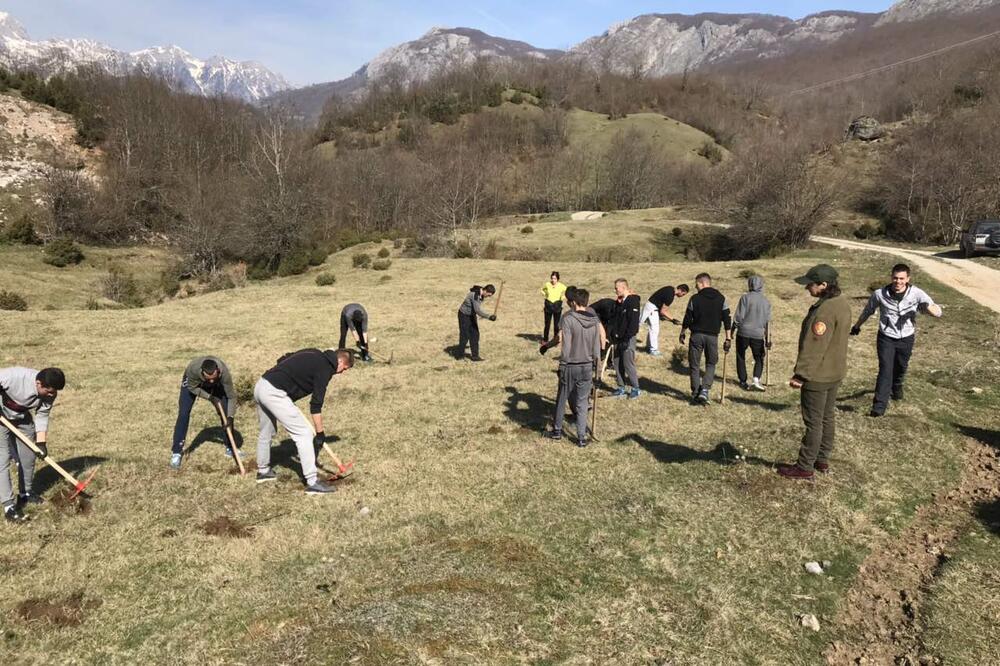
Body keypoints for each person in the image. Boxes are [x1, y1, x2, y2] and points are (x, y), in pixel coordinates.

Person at [778, 264, 851, 480]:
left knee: (814, 421)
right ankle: (822, 459)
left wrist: (801, 375)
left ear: (823, 285)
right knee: (827, 417)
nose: (807, 288)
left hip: (818, 376)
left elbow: (815, 345)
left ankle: (804, 466)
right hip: (835, 372)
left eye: (810, 284)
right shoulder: (842, 303)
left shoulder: (825, 310)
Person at [254, 348, 353, 494]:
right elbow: (316, 404)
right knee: (304, 434)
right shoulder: (325, 369)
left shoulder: (313, 352)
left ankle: (263, 471)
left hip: (262, 384)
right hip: (275, 393)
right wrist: (320, 433)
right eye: (343, 368)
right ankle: (312, 482)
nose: (341, 372)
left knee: (266, 431)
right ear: (339, 361)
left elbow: (284, 358)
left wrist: (288, 380)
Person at [851, 263, 942, 417]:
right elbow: (868, 310)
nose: (898, 282)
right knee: (886, 370)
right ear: (891, 278)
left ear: (907, 279)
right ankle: (878, 408)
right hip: (886, 337)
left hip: (906, 337)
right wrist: (857, 326)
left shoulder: (917, 294)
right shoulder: (880, 294)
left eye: (901, 279)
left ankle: (897, 385)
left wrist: (931, 310)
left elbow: (937, 310)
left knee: (901, 367)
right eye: (895, 278)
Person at [0, 367, 65, 523]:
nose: (52, 395)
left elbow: (42, 414)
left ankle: (25, 494)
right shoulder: (12, 377)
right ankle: (9, 506)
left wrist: (41, 442)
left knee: (29, 456)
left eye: (55, 392)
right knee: (2, 459)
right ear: (38, 383)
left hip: (22, 416)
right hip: (1, 416)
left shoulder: (50, 392)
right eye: (49, 392)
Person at [541, 287, 602, 447]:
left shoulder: (568, 319)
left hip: (571, 366)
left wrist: (562, 365)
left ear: (574, 302)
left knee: (562, 398)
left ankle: (557, 431)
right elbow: (597, 349)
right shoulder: (595, 321)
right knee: (582, 402)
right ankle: (581, 438)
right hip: (588, 367)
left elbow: (566, 346)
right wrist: (598, 372)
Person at [170, 357, 239, 469]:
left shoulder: (224, 373)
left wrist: (230, 417)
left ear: (218, 371)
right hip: (195, 385)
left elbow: (231, 396)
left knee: (226, 411)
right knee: (183, 413)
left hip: (217, 384)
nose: (211, 381)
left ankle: (230, 448)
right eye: (208, 378)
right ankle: (176, 452)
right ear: (202, 372)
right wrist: (209, 397)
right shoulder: (193, 370)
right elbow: (192, 388)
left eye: (214, 378)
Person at [680, 273, 732, 404]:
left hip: (696, 335)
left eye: (696, 284)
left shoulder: (694, 298)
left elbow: (688, 317)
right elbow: (727, 319)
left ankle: (696, 392)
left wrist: (683, 331)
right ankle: (704, 390)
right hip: (712, 337)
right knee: (711, 363)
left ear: (703, 283)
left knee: (694, 364)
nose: (695, 287)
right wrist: (728, 338)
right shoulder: (721, 299)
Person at [732, 276, 772, 391]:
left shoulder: (745, 298)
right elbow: (767, 322)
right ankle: (756, 379)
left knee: (740, 356)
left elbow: (739, 316)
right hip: (758, 335)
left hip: (743, 332)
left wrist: (732, 330)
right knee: (759, 357)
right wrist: (768, 338)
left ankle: (743, 380)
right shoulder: (766, 301)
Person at [609, 279, 641, 399]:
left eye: (616, 288)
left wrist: (627, 338)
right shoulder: (621, 302)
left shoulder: (633, 301)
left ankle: (635, 388)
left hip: (628, 338)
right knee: (617, 362)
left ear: (623, 287)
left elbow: (633, 322)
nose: (615, 290)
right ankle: (621, 387)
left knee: (628, 363)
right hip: (618, 338)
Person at [639, 283, 689, 356]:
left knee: (653, 328)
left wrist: (668, 319)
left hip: (652, 308)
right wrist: (673, 320)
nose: (682, 296)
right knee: (641, 326)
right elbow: (663, 311)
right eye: (683, 294)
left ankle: (649, 347)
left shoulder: (669, 289)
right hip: (651, 308)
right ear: (681, 290)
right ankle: (653, 350)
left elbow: (661, 308)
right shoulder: (670, 296)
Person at [456, 284, 497, 362]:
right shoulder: (475, 295)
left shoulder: (481, 294)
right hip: (464, 315)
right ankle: (460, 356)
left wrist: (482, 316)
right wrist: (489, 317)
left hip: (472, 315)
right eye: (488, 295)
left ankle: (475, 356)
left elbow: (476, 309)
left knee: (475, 334)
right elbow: (477, 310)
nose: (488, 297)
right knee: (465, 335)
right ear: (485, 290)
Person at [540, 271, 567, 342]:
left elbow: (567, 291)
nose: (553, 280)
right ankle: (545, 340)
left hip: (557, 306)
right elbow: (542, 290)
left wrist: (562, 297)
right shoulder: (547, 284)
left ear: (558, 279)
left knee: (556, 325)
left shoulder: (561, 286)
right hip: (548, 306)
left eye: (555, 278)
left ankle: (555, 340)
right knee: (547, 324)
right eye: (552, 278)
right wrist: (546, 295)